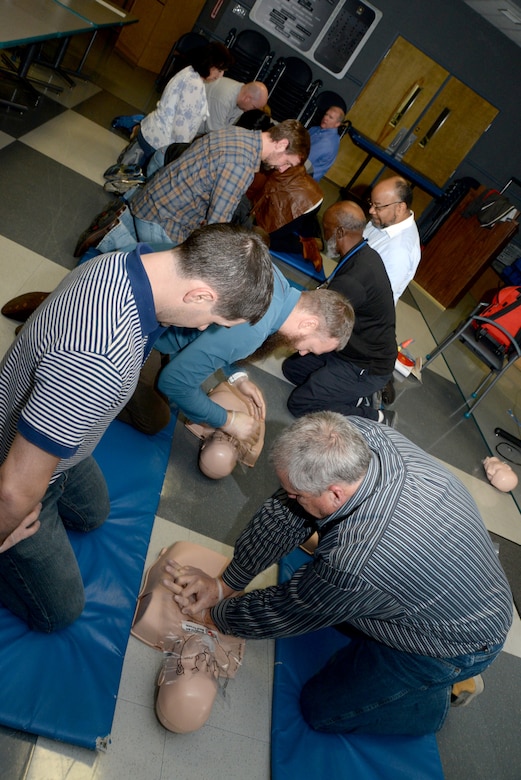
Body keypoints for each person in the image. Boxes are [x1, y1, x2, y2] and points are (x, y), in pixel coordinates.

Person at [165, 411, 513, 736]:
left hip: (459, 641)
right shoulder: (353, 435)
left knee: (320, 710)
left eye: (296, 494)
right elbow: (286, 512)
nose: (289, 497)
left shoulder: (359, 558)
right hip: (449, 584)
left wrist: (217, 616)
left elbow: (293, 608)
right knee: (335, 588)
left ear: (335, 493)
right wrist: (227, 584)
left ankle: (440, 690)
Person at [0, 224, 274, 632]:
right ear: (200, 295)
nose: (203, 328)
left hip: (56, 438)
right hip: (19, 463)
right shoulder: (101, 356)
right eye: (214, 319)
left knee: (95, 513)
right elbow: (15, 488)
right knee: (59, 611)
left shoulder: (131, 262)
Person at [118, 269, 354, 442]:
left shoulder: (278, 283)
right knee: (155, 419)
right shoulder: (256, 328)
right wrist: (228, 421)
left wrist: (237, 377)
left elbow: (220, 334)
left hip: (140, 289)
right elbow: (174, 383)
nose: (301, 353)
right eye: (309, 348)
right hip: (130, 325)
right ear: (309, 323)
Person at [75, 120, 310, 258]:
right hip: (163, 219)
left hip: (150, 198)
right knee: (176, 265)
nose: (282, 169)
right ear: (281, 144)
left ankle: (121, 226)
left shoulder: (239, 132)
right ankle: (113, 239)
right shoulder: (242, 164)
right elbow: (215, 225)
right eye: (288, 162)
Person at [282, 201, 398, 426]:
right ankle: (349, 394)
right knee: (292, 370)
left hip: (365, 366)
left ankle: (376, 417)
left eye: (325, 228)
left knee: (299, 404)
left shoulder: (355, 279)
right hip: (348, 349)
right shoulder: (362, 254)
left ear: (340, 232)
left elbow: (316, 324)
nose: (323, 236)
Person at [129, 42, 233, 169]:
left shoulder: (190, 71)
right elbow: (181, 127)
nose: (220, 76)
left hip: (151, 131)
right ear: (208, 63)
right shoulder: (194, 85)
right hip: (159, 143)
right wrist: (182, 156)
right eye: (219, 70)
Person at [363, 175, 421, 304]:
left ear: (400, 208)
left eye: (378, 206)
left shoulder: (400, 252)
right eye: (371, 203)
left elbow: (376, 299)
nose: (371, 210)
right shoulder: (382, 220)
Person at [200, 77, 269, 133]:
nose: (251, 110)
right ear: (247, 98)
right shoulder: (224, 98)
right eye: (253, 107)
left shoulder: (241, 101)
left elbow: (225, 128)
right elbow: (214, 133)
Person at [307, 106, 345, 181]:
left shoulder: (327, 142)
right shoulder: (316, 129)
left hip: (303, 178)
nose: (325, 118)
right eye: (326, 114)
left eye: (330, 117)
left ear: (337, 124)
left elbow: (303, 159)